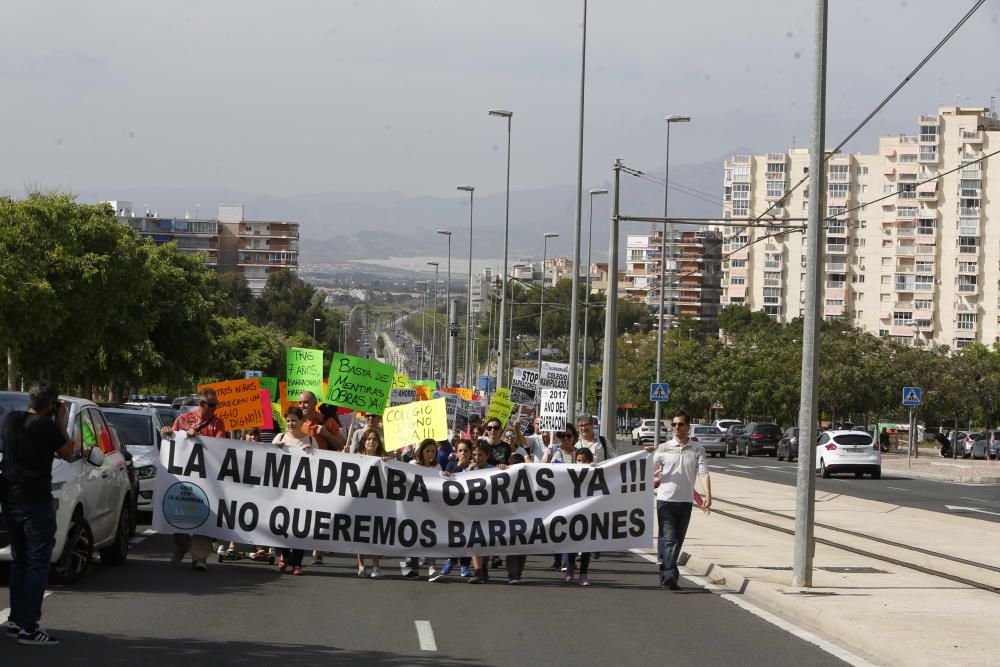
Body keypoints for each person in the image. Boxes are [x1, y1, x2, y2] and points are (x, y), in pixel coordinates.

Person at [0, 381, 77, 645]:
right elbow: (67, 452)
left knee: (20, 561)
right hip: (36, 502)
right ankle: (29, 628)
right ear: (51, 404)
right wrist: (62, 420)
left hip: (11, 500)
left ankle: (16, 620)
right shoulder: (47, 426)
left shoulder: (11, 419)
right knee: (37, 564)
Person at [159, 388, 228, 571]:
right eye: (212, 405)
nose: (215, 409)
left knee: (203, 518)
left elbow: (220, 447)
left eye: (217, 405)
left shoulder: (218, 424)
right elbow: (171, 440)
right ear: (202, 404)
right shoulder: (183, 420)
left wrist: (200, 439)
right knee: (179, 515)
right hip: (183, 478)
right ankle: (182, 545)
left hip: (207, 478)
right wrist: (167, 432)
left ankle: (200, 558)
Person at [653, 409, 711, 591]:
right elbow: (648, 469)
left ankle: (666, 572)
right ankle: (670, 576)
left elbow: (703, 473)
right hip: (665, 500)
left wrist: (707, 495)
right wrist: (653, 471)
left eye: (680, 424)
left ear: (688, 427)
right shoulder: (664, 448)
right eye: (674, 424)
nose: (676, 427)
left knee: (677, 540)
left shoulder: (697, 449)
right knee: (670, 539)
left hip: (685, 502)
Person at [297, 391, 345, 565]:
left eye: (305, 403)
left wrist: (326, 433)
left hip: (323, 474)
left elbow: (341, 445)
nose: (302, 406)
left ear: (315, 403)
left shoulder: (327, 421)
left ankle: (317, 550)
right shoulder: (296, 423)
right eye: (300, 403)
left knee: (318, 511)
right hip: (301, 473)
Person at [271, 406, 318, 575]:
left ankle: (297, 563)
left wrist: (311, 453)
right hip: (282, 491)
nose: (291, 423)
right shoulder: (279, 437)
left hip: (302, 492)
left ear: (301, 421)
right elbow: (269, 461)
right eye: (288, 420)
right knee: (281, 523)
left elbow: (319, 465)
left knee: (299, 526)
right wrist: (276, 448)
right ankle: (284, 555)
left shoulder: (311, 441)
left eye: (294, 420)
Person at [439, 438, 475, 578]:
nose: (463, 453)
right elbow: (448, 478)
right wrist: (460, 465)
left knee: (468, 536)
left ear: (471, 452)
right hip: (454, 507)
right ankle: (452, 559)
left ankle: (465, 565)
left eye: (466, 451)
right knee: (455, 534)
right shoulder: (451, 464)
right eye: (460, 451)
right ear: (456, 452)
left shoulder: (476, 466)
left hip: (471, 507)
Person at [406, 439, 440, 580]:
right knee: (414, 536)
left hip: (430, 507)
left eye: (433, 451)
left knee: (430, 536)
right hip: (413, 506)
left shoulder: (436, 466)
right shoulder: (412, 465)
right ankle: (414, 568)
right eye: (427, 451)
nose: (430, 454)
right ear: (421, 451)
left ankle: (432, 568)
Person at [356, 427, 387, 578]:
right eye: (368, 439)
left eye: (374, 439)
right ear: (364, 442)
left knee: (375, 533)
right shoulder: (355, 457)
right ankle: (361, 565)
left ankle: (376, 566)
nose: (371, 441)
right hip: (359, 501)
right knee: (359, 533)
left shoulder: (383, 459)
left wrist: (387, 463)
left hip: (377, 501)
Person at [562, 448, 596, 586]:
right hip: (574, 511)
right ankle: (570, 566)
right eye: (578, 460)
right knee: (573, 542)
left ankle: (583, 574)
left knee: (586, 544)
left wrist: (595, 468)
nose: (580, 463)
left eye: (583, 461)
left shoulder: (594, 472)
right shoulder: (569, 472)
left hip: (589, 511)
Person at [466, 441, 495, 584]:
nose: (477, 458)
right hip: (473, 511)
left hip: (488, 512)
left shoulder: (493, 470)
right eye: (475, 454)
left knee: (485, 542)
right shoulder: (469, 470)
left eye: (480, 455)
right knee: (474, 541)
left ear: (487, 456)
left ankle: (483, 568)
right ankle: (477, 571)